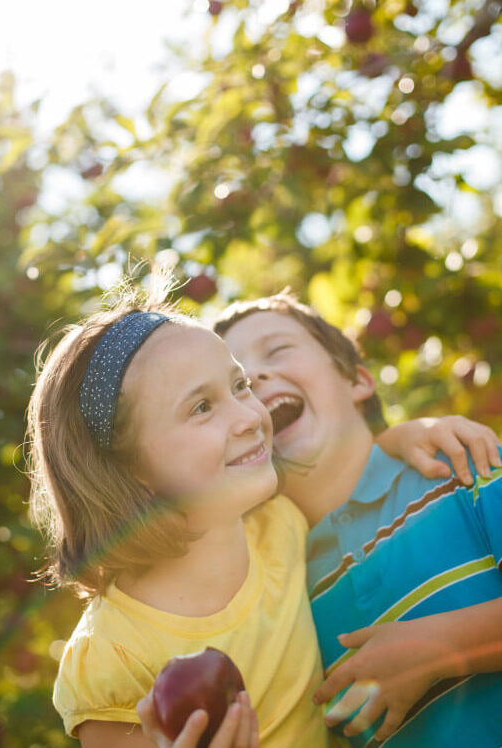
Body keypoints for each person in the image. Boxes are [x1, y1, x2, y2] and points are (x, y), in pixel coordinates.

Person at [27, 289, 498, 748]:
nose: (250, 414)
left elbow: (338, 462)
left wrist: (397, 437)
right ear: (129, 469)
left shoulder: (291, 524)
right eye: (202, 406)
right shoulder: (116, 652)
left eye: (239, 386)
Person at [215, 290, 502, 747]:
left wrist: (435, 650)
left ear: (357, 381)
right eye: (235, 385)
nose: (254, 377)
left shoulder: (464, 467)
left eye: (277, 350)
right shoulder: (279, 589)